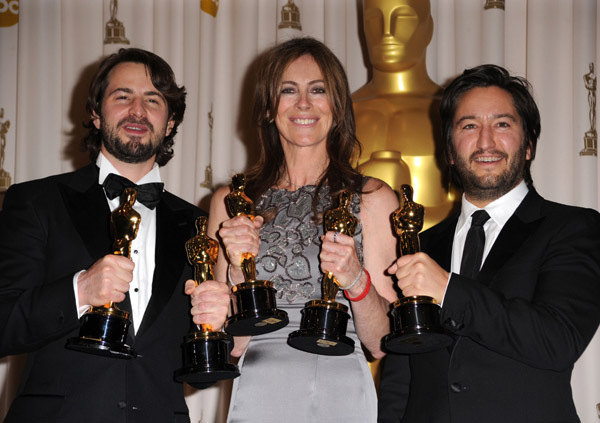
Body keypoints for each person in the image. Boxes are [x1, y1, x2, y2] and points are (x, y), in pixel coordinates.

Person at [0, 48, 231, 423]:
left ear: (170, 122)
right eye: (122, 96)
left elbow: (198, 377)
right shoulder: (36, 201)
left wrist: (213, 327)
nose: (137, 110)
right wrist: (80, 290)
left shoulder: (199, 226)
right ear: (95, 112)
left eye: (153, 100)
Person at [378, 64, 600, 422]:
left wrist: (449, 291)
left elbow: (558, 340)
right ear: (449, 150)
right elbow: (401, 380)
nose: (485, 142)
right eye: (469, 126)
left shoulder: (572, 228)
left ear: (528, 145)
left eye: (502, 124)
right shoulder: (420, 247)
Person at [207, 37, 399, 422]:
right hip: (258, 393)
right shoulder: (231, 201)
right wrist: (238, 268)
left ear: (337, 106)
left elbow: (380, 344)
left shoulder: (374, 198)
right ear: (267, 107)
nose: (304, 104)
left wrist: (356, 280)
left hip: (342, 391)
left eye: (318, 90)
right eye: (288, 91)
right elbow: (230, 345)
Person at [353, 0, 455, 229]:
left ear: (428, 28)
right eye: (374, 19)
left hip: (436, 256)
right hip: (351, 259)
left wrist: (402, 221)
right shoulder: (339, 112)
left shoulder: (452, 110)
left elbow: (471, 210)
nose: (386, 32)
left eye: (402, 18)